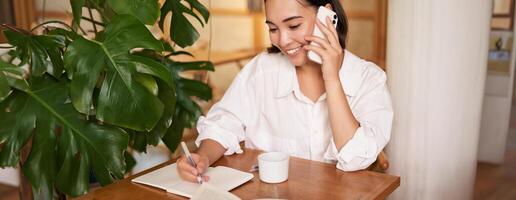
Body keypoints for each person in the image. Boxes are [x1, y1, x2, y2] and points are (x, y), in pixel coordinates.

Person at [177, 0, 393, 183]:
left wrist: (332, 79)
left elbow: (356, 158)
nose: (283, 40)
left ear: (327, 16)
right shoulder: (262, 69)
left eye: (294, 25)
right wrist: (202, 157)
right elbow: (223, 124)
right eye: (273, 29)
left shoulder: (369, 79)